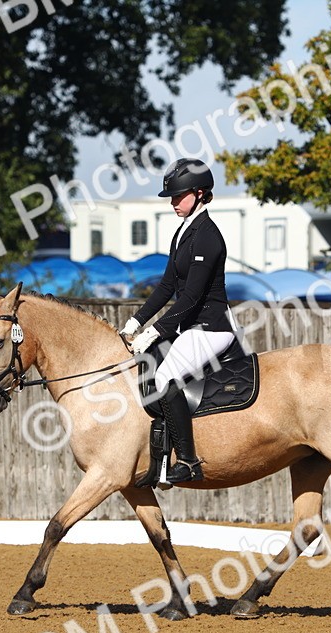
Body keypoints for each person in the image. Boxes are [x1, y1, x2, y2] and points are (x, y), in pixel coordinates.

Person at [120, 157, 236, 485]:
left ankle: (186, 460)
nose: (172, 202)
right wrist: (134, 322)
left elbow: (191, 298)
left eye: (178, 196)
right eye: (171, 197)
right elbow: (167, 287)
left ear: (199, 194)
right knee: (148, 373)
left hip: (212, 328)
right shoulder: (183, 232)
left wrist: (154, 331)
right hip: (190, 327)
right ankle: (157, 466)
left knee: (166, 376)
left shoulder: (208, 236)